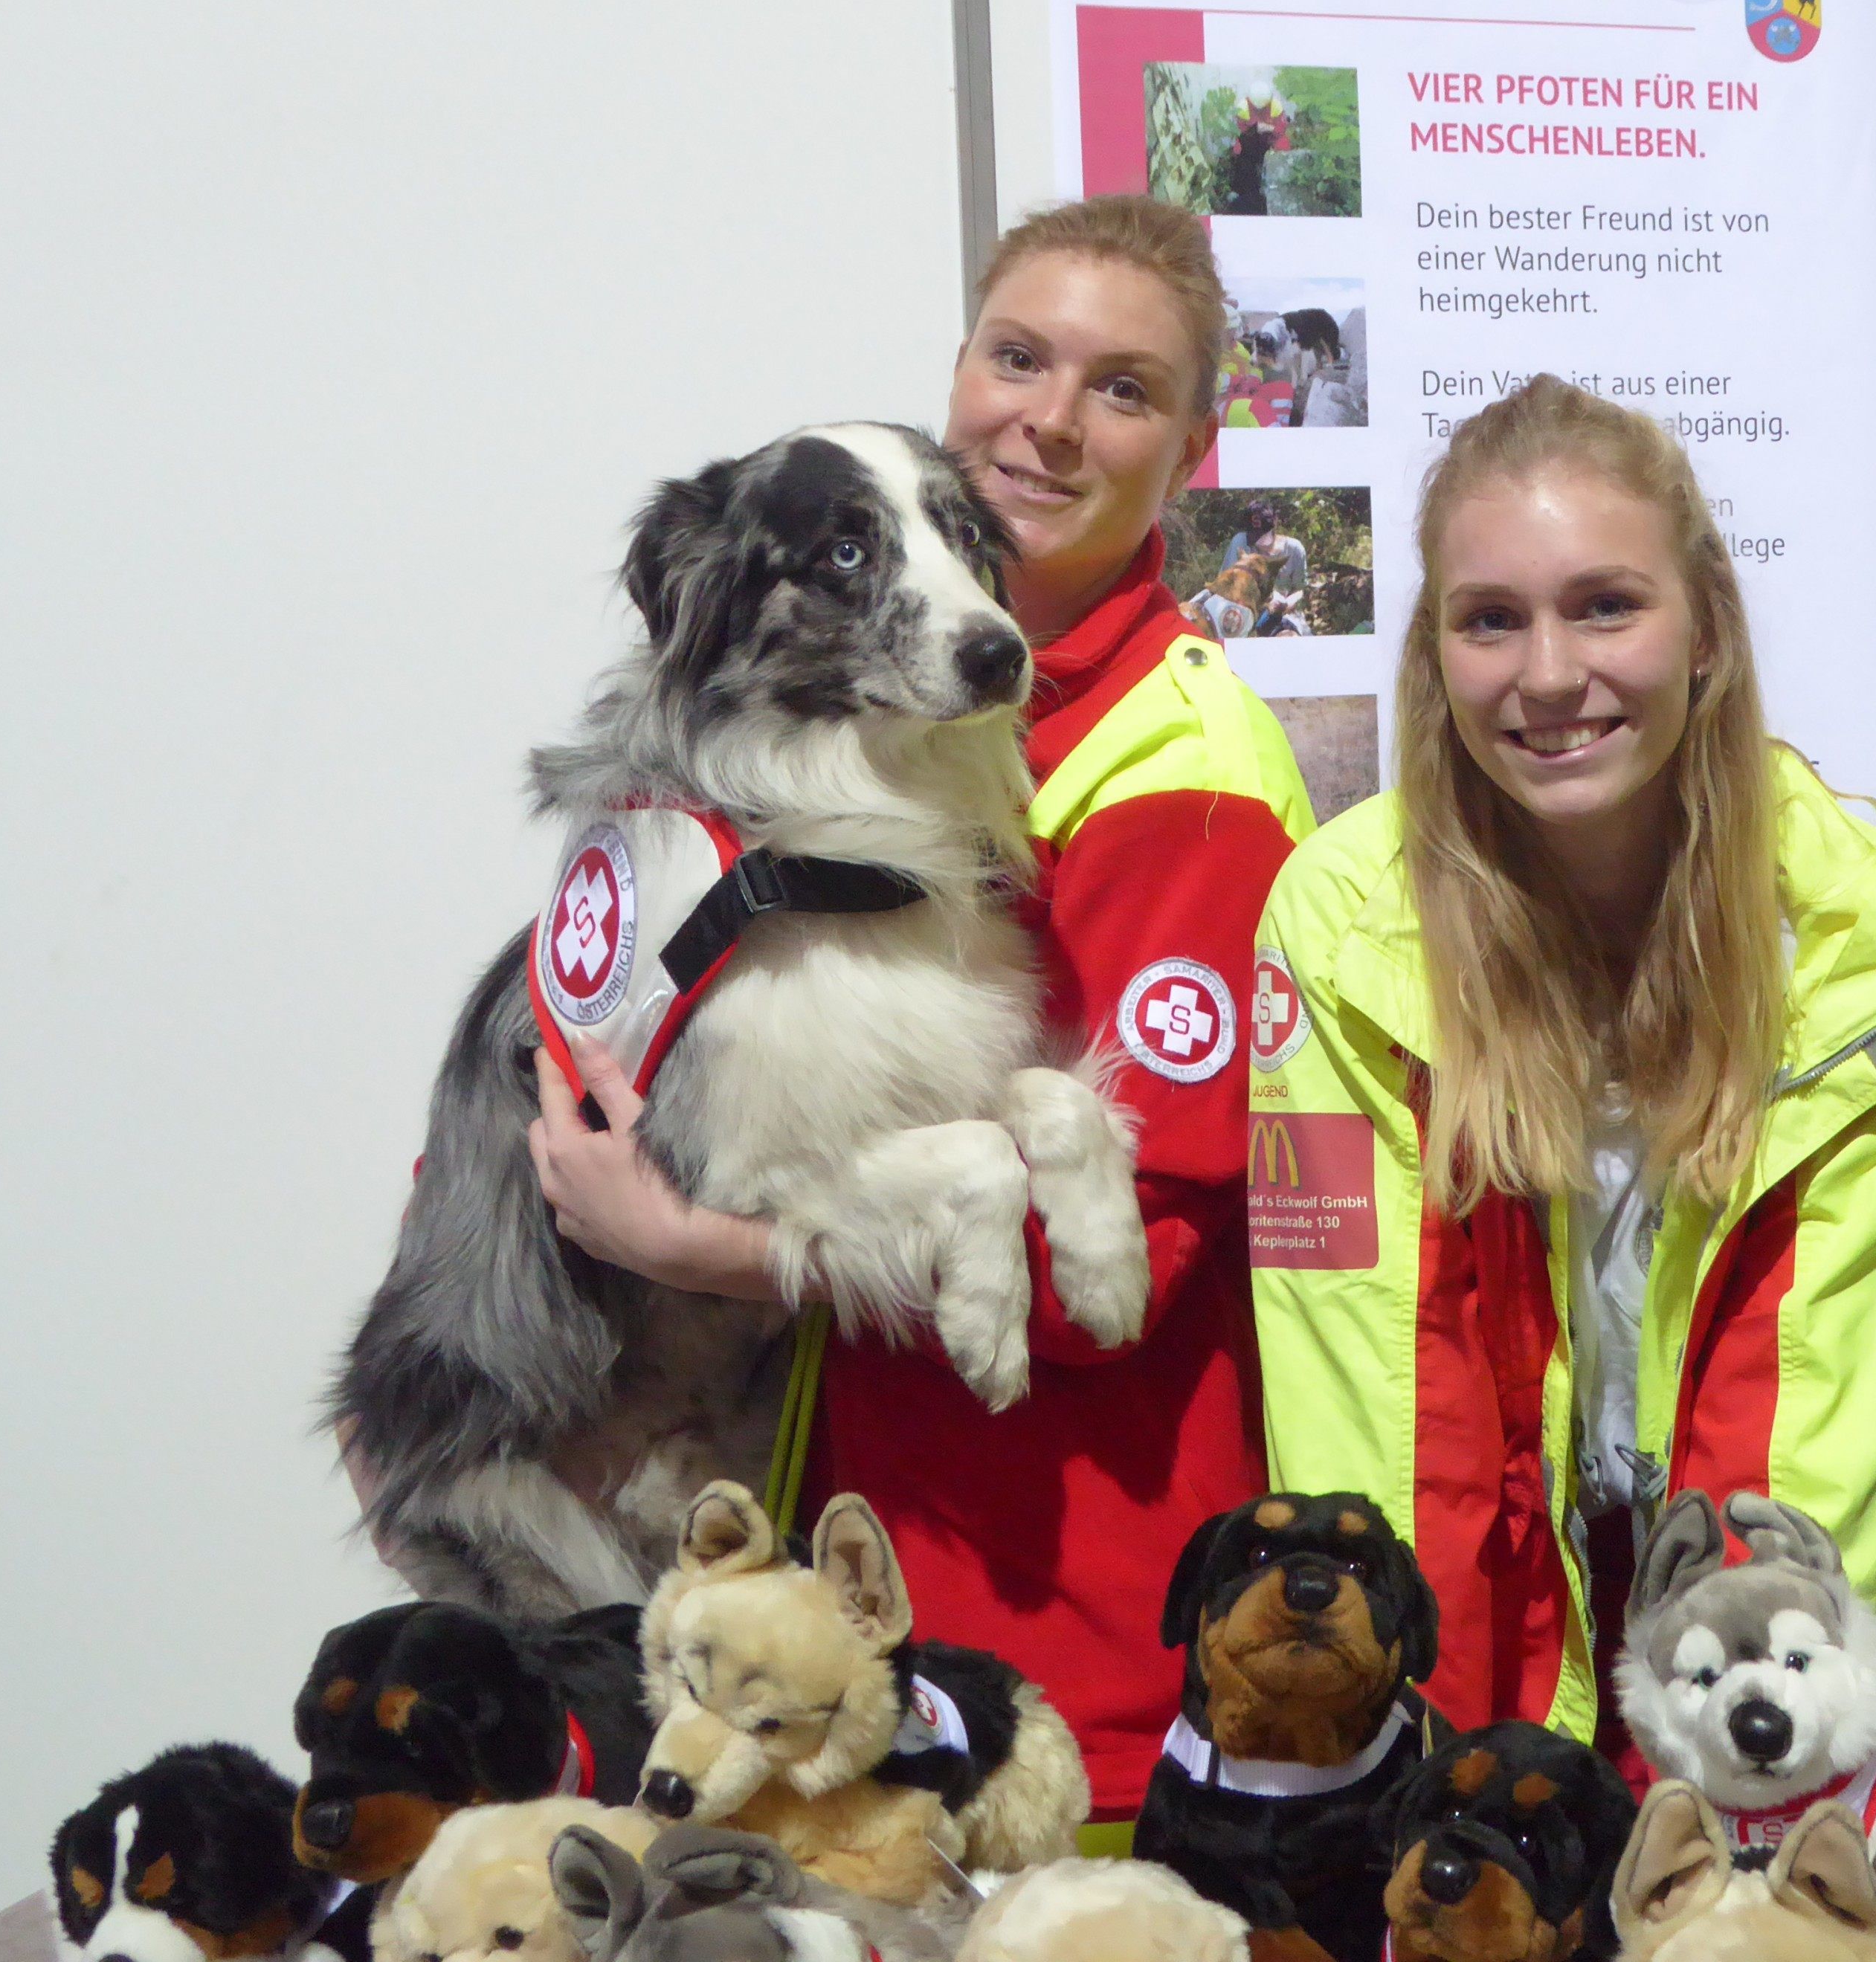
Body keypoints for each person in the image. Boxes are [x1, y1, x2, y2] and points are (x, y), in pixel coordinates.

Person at [529, 193, 1313, 1835]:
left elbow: (1127, 1268)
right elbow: (621, 997)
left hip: (1061, 1606)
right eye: (1016, 357)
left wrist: (690, 1249)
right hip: (854, 1573)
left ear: (1191, 450)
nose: (1044, 418)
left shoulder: (1179, 769)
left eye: (1121, 389)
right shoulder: (849, 718)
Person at [1246, 375, 1876, 1756]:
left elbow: (1812, 1434)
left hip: (1739, 1672)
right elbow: (1373, 1403)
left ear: (1703, 624)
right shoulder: (1339, 930)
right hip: (1466, 1644)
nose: (1546, 673)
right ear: (1434, 648)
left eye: (1604, 605)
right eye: (1490, 619)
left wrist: (1706, 1798)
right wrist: (1445, 1788)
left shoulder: (1869, 950)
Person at [1221, 497, 1310, 633]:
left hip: (1285, 615)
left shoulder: (1295, 549)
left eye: (1261, 534)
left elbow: (1300, 589)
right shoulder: (1241, 542)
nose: (1256, 539)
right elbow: (1228, 582)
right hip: (1243, 611)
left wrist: (1288, 602)